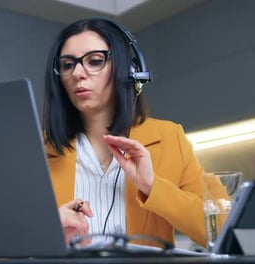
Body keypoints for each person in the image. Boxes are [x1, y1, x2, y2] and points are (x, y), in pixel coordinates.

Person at [42, 17, 206, 248]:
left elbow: (217, 231)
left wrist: (152, 187)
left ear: (128, 70)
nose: (77, 73)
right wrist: (45, 230)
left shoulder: (170, 138)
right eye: (68, 64)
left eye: (95, 61)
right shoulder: (37, 149)